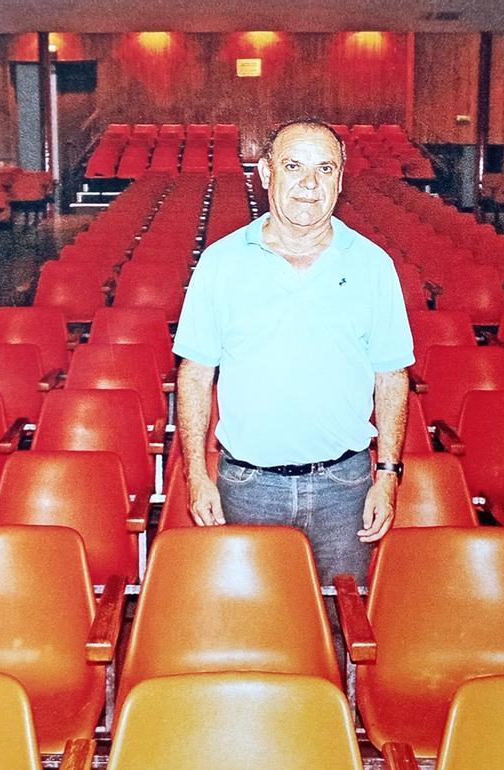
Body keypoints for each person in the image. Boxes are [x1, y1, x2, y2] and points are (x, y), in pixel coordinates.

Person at [172, 118, 413, 586]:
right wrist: (198, 475)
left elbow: (391, 376)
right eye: (293, 166)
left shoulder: (373, 265)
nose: (309, 183)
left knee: (344, 623)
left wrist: (387, 474)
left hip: (345, 487)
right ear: (266, 174)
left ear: (341, 180)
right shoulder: (221, 262)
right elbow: (195, 374)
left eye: (325, 168)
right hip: (248, 487)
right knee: (257, 628)